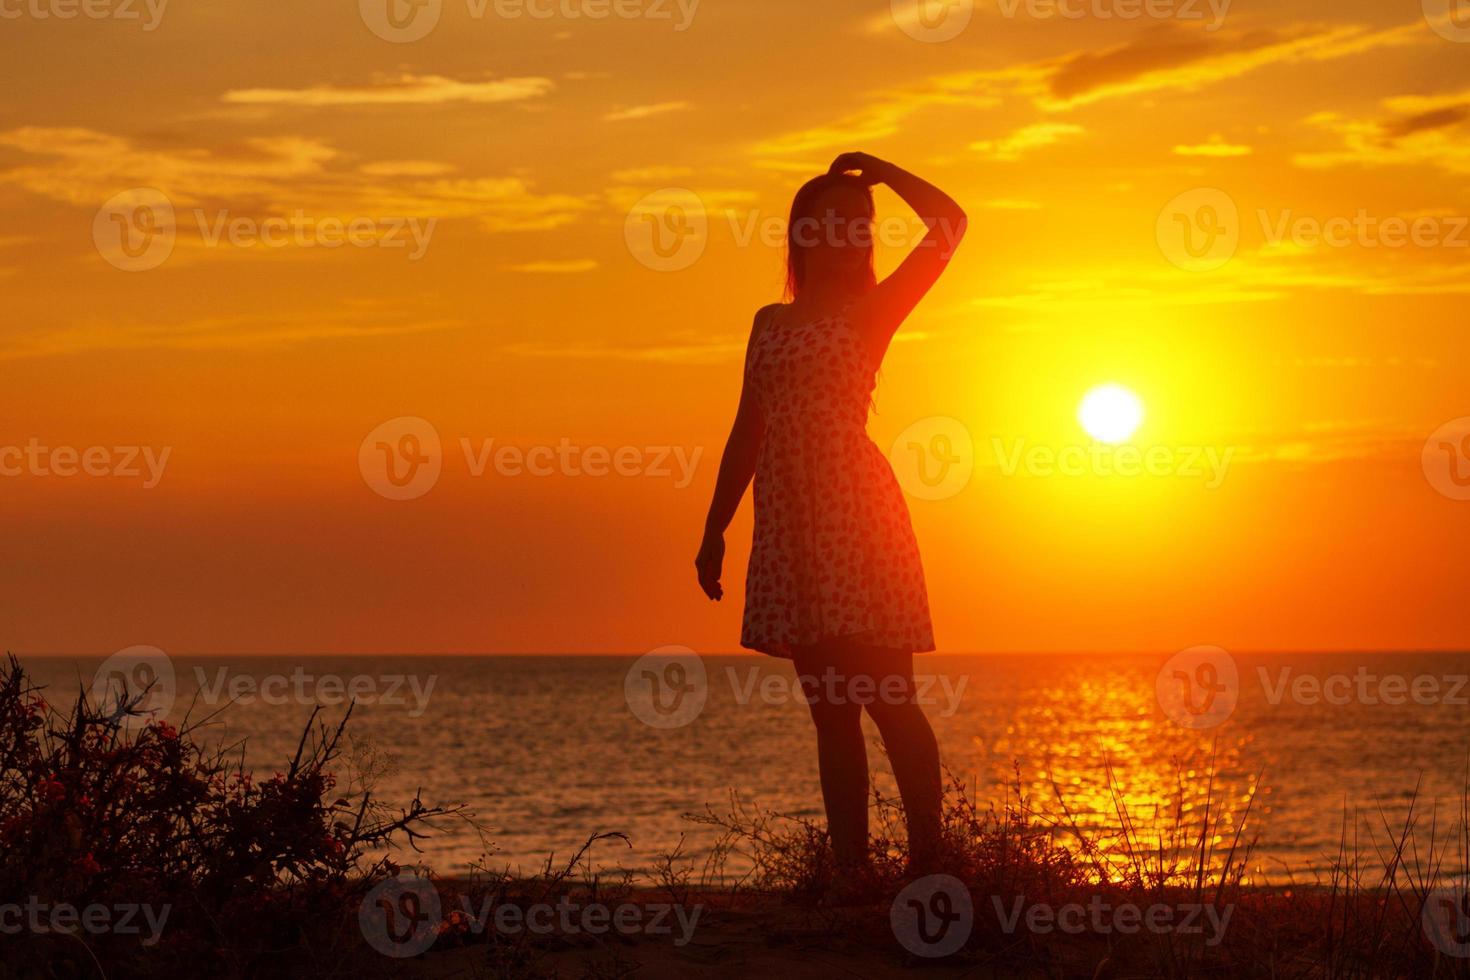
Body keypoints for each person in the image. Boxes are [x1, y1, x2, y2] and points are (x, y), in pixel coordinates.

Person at [695, 151, 967, 894]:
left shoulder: (872, 311)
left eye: (858, 224)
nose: (844, 233)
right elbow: (747, 428)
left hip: (858, 515)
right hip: (789, 523)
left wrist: (883, 170)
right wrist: (715, 527)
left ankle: (930, 867)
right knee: (830, 711)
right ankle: (850, 875)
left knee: (889, 699)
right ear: (802, 232)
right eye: (828, 221)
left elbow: (951, 225)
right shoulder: (769, 322)